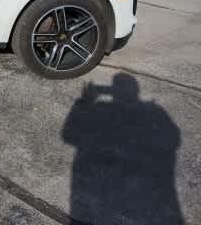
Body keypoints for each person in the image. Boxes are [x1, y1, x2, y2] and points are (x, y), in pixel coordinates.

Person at [62, 73, 183, 224]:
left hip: (98, 190)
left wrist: (85, 101)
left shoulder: (102, 108)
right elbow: (174, 138)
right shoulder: (154, 111)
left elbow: (68, 135)